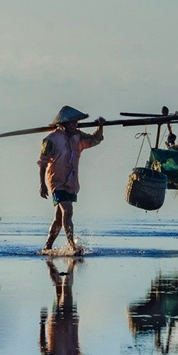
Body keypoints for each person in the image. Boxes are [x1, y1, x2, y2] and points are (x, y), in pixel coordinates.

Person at [38, 105, 105, 252]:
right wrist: (42, 184)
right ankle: (72, 246)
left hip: (71, 182)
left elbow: (95, 140)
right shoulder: (51, 140)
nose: (75, 125)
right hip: (56, 181)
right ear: (63, 123)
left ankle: (47, 246)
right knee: (68, 211)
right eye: (72, 122)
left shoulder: (77, 136)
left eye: (76, 122)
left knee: (59, 217)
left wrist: (100, 127)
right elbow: (42, 163)